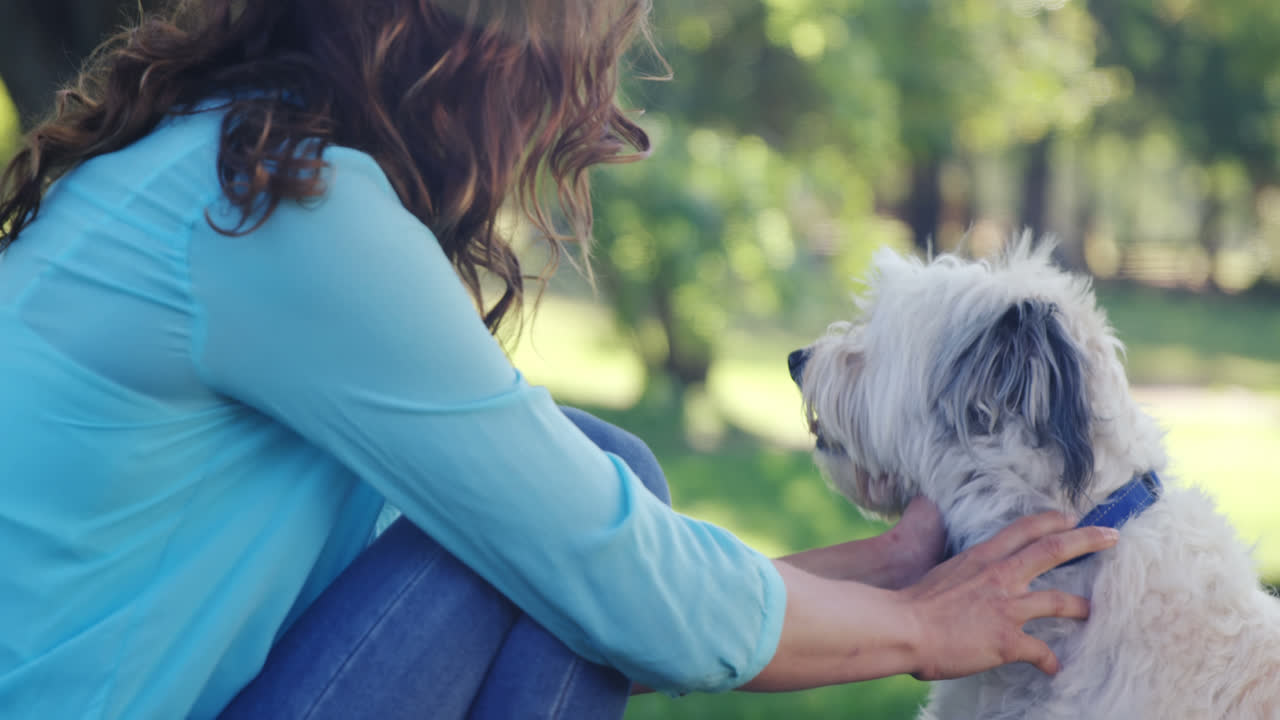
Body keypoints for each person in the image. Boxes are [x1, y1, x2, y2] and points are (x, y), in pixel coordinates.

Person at [0, 1, 1118, 718]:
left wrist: (881, 576)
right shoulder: (289, 217)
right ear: (480, 46)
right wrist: (919, 630)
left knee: (585, 483)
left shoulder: (226, 162)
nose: (590, 102)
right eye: (587, 53)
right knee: (566, 517)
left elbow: (578, 551)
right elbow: (593, 566)